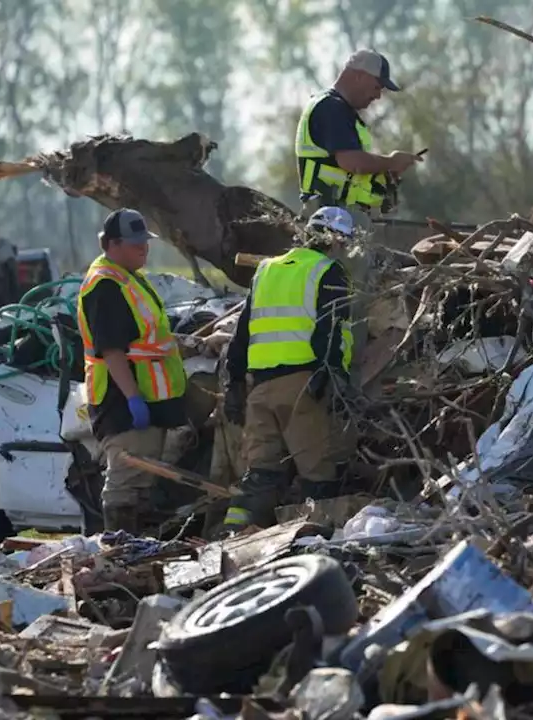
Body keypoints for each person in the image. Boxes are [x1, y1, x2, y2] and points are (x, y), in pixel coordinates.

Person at [220, 206, 360, 533]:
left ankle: (230, 541)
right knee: (319, 476)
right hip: (303, 387)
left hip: (261, 389)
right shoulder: (329, 271)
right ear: (337, 240)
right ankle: (316, 545)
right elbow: (332, 330)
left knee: (260, 475)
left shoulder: (267, 269)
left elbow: (243, 332)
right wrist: (333, 377)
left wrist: (235, 382)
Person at [76, 209, 187, 533]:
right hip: (122, 401)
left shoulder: (128, 278)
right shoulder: (105, 285)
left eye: (145, 242)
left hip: (147, 399)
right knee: (126, 480)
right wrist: (133, 399)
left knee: (142, 482)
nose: (144, 248)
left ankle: (136, 552)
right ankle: (118, 552)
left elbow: (147, 338)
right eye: (135, 243)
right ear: (111, 244)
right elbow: (111, 350)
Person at [296, 49, 422, 220]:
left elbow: (347, 171)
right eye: (377, 87)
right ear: (359, 76)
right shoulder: (332, 108)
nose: (378, 96)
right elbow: (352, 162)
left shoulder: (335, 108)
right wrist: (391, 162)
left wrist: (383, 176)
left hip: (335, 214)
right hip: (331, 218)